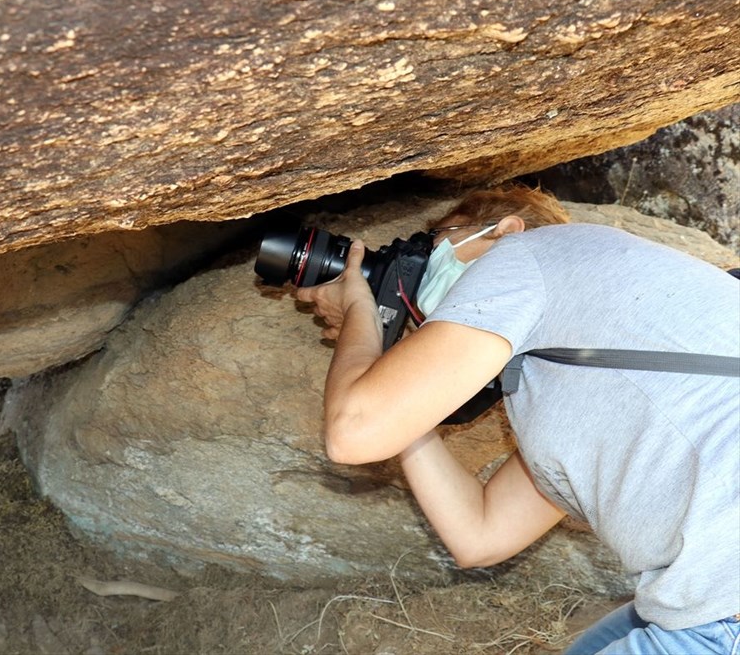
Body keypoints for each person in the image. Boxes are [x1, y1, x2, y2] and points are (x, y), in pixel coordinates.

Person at [292, 184, 740, 655]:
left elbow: (352, 433)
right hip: (708, 602)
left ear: (505, 229)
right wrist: (403, 400)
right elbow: (480, 535)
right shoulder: (565, 381)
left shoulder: (533, 253)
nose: (424, 271)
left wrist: (360, 311)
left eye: (435, 244)